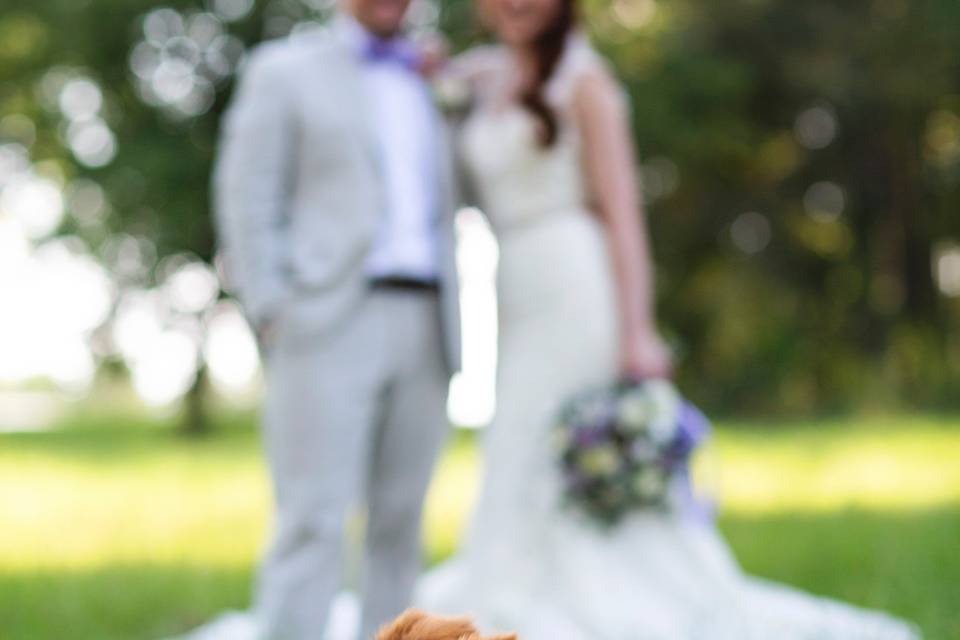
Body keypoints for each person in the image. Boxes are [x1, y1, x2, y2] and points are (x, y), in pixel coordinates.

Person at [417, 0, 921, 638]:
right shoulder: (478, 78)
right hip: (511, 286)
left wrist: (638, 331)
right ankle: (508, 580)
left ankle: (601, 590)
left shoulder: (586, 81)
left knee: (565, 437)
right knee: (517, 436)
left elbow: (625, 217)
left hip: (577, 283)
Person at [211, 0, 461, 637]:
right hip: (326, 319)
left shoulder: (434, 78)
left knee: (401, 522)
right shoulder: (285, 70)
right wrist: (271, 307)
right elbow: (246, 192)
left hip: (430, 318)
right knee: (312, 519)